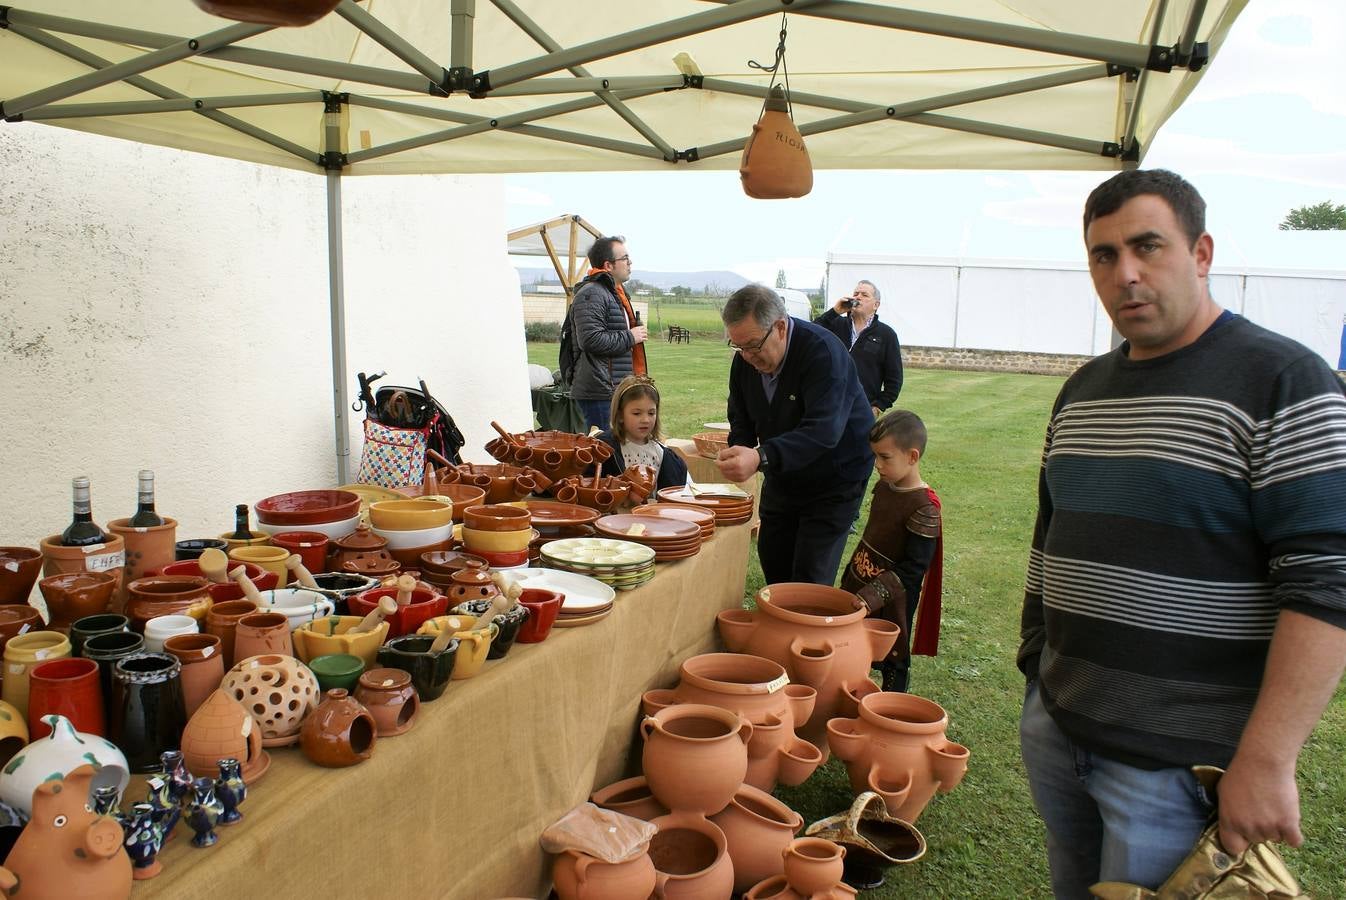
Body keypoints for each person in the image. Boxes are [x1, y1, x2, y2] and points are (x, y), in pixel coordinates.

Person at [1017, 168, 1346, 897]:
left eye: (1147, 247)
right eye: (1104, 255)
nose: (1125, 274)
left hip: (1176, 765)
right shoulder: (1082, 390)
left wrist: (1266, 761)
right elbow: (1050, 537)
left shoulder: (1285, 380)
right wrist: (1035, 668)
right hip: (1061, 726)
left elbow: (1328, 581)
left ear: (1201, 253)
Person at [716, 284, 875, 585]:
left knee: (810, 573)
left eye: (752, 346)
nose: (747, 357)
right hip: (784, 471)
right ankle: (784, 627)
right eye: (738, 347)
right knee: (773, 557)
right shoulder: (744, 361)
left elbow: (823, 431)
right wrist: (740, 447)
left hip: (836, 475)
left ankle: (810, 628)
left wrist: (761, 456)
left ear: (779, 327)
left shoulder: (823, 353)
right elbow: (741, 416)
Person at [839, 410, 943, 693]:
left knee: (892, 657)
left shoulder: (924, 508)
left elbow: (914, 568)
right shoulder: (885, 487)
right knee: (852, 647)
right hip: (860, 578)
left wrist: (873, 596)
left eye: (885, 457)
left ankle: (889, 708)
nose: (877, 465)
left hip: (893, 599)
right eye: (875, 456)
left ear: (912, 457)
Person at [567, 235, 649, 431]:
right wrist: (631, 336)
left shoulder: (613, 293)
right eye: (625, 258)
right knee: (604, 449)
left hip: (613, 387)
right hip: (600, 390)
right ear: (608, 265)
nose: (630, 263)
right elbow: (590, 339)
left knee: (615, 447)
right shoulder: (593, 293)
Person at [815, 280, 903, 416]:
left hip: (861, 410)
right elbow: (811, 333)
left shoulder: (886, 334)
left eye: (864, 295)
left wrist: (878, 407)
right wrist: (835, 312)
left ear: (876, 305)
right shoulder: (836, 324)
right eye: (855, 293)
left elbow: (894, 379)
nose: (858, 297)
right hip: (828, 405)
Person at [592, 374, 688, 492]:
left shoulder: (664, 456)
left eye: (651, 413)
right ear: (620, 415)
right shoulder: (605, 451)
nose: (645, 420)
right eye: (637, 413)